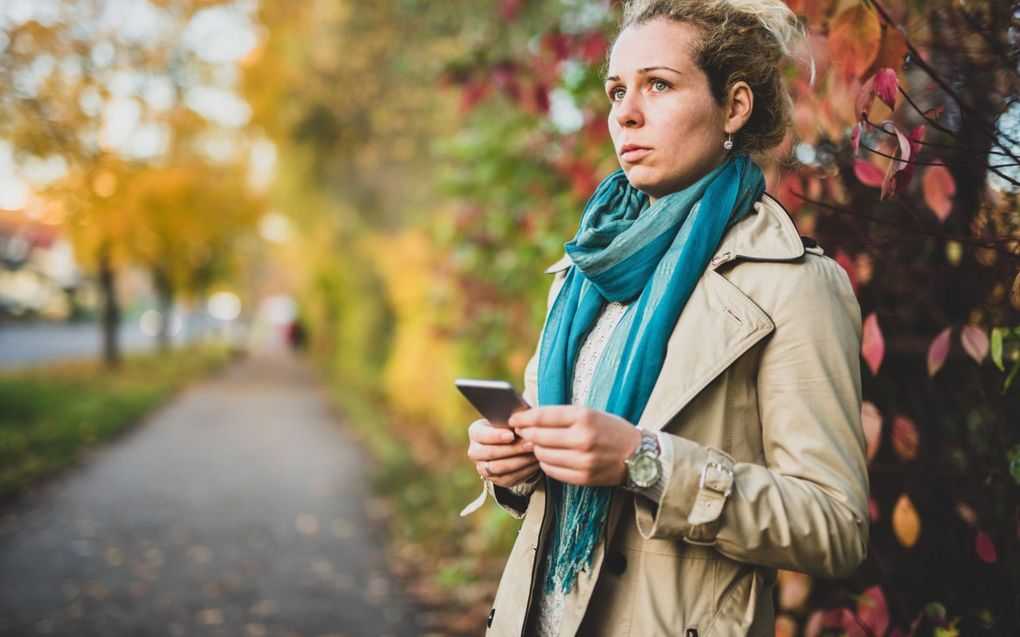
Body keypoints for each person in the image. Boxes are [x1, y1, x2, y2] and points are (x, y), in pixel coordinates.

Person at [465, 0, 869, 634]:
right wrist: (514, 465)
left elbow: (834, 528)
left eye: (658, 85)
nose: (626, 112)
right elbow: (564, 480)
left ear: (734, 107)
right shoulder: (586, 268)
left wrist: (645, 461)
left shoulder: (794, 285)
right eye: (616, 90)